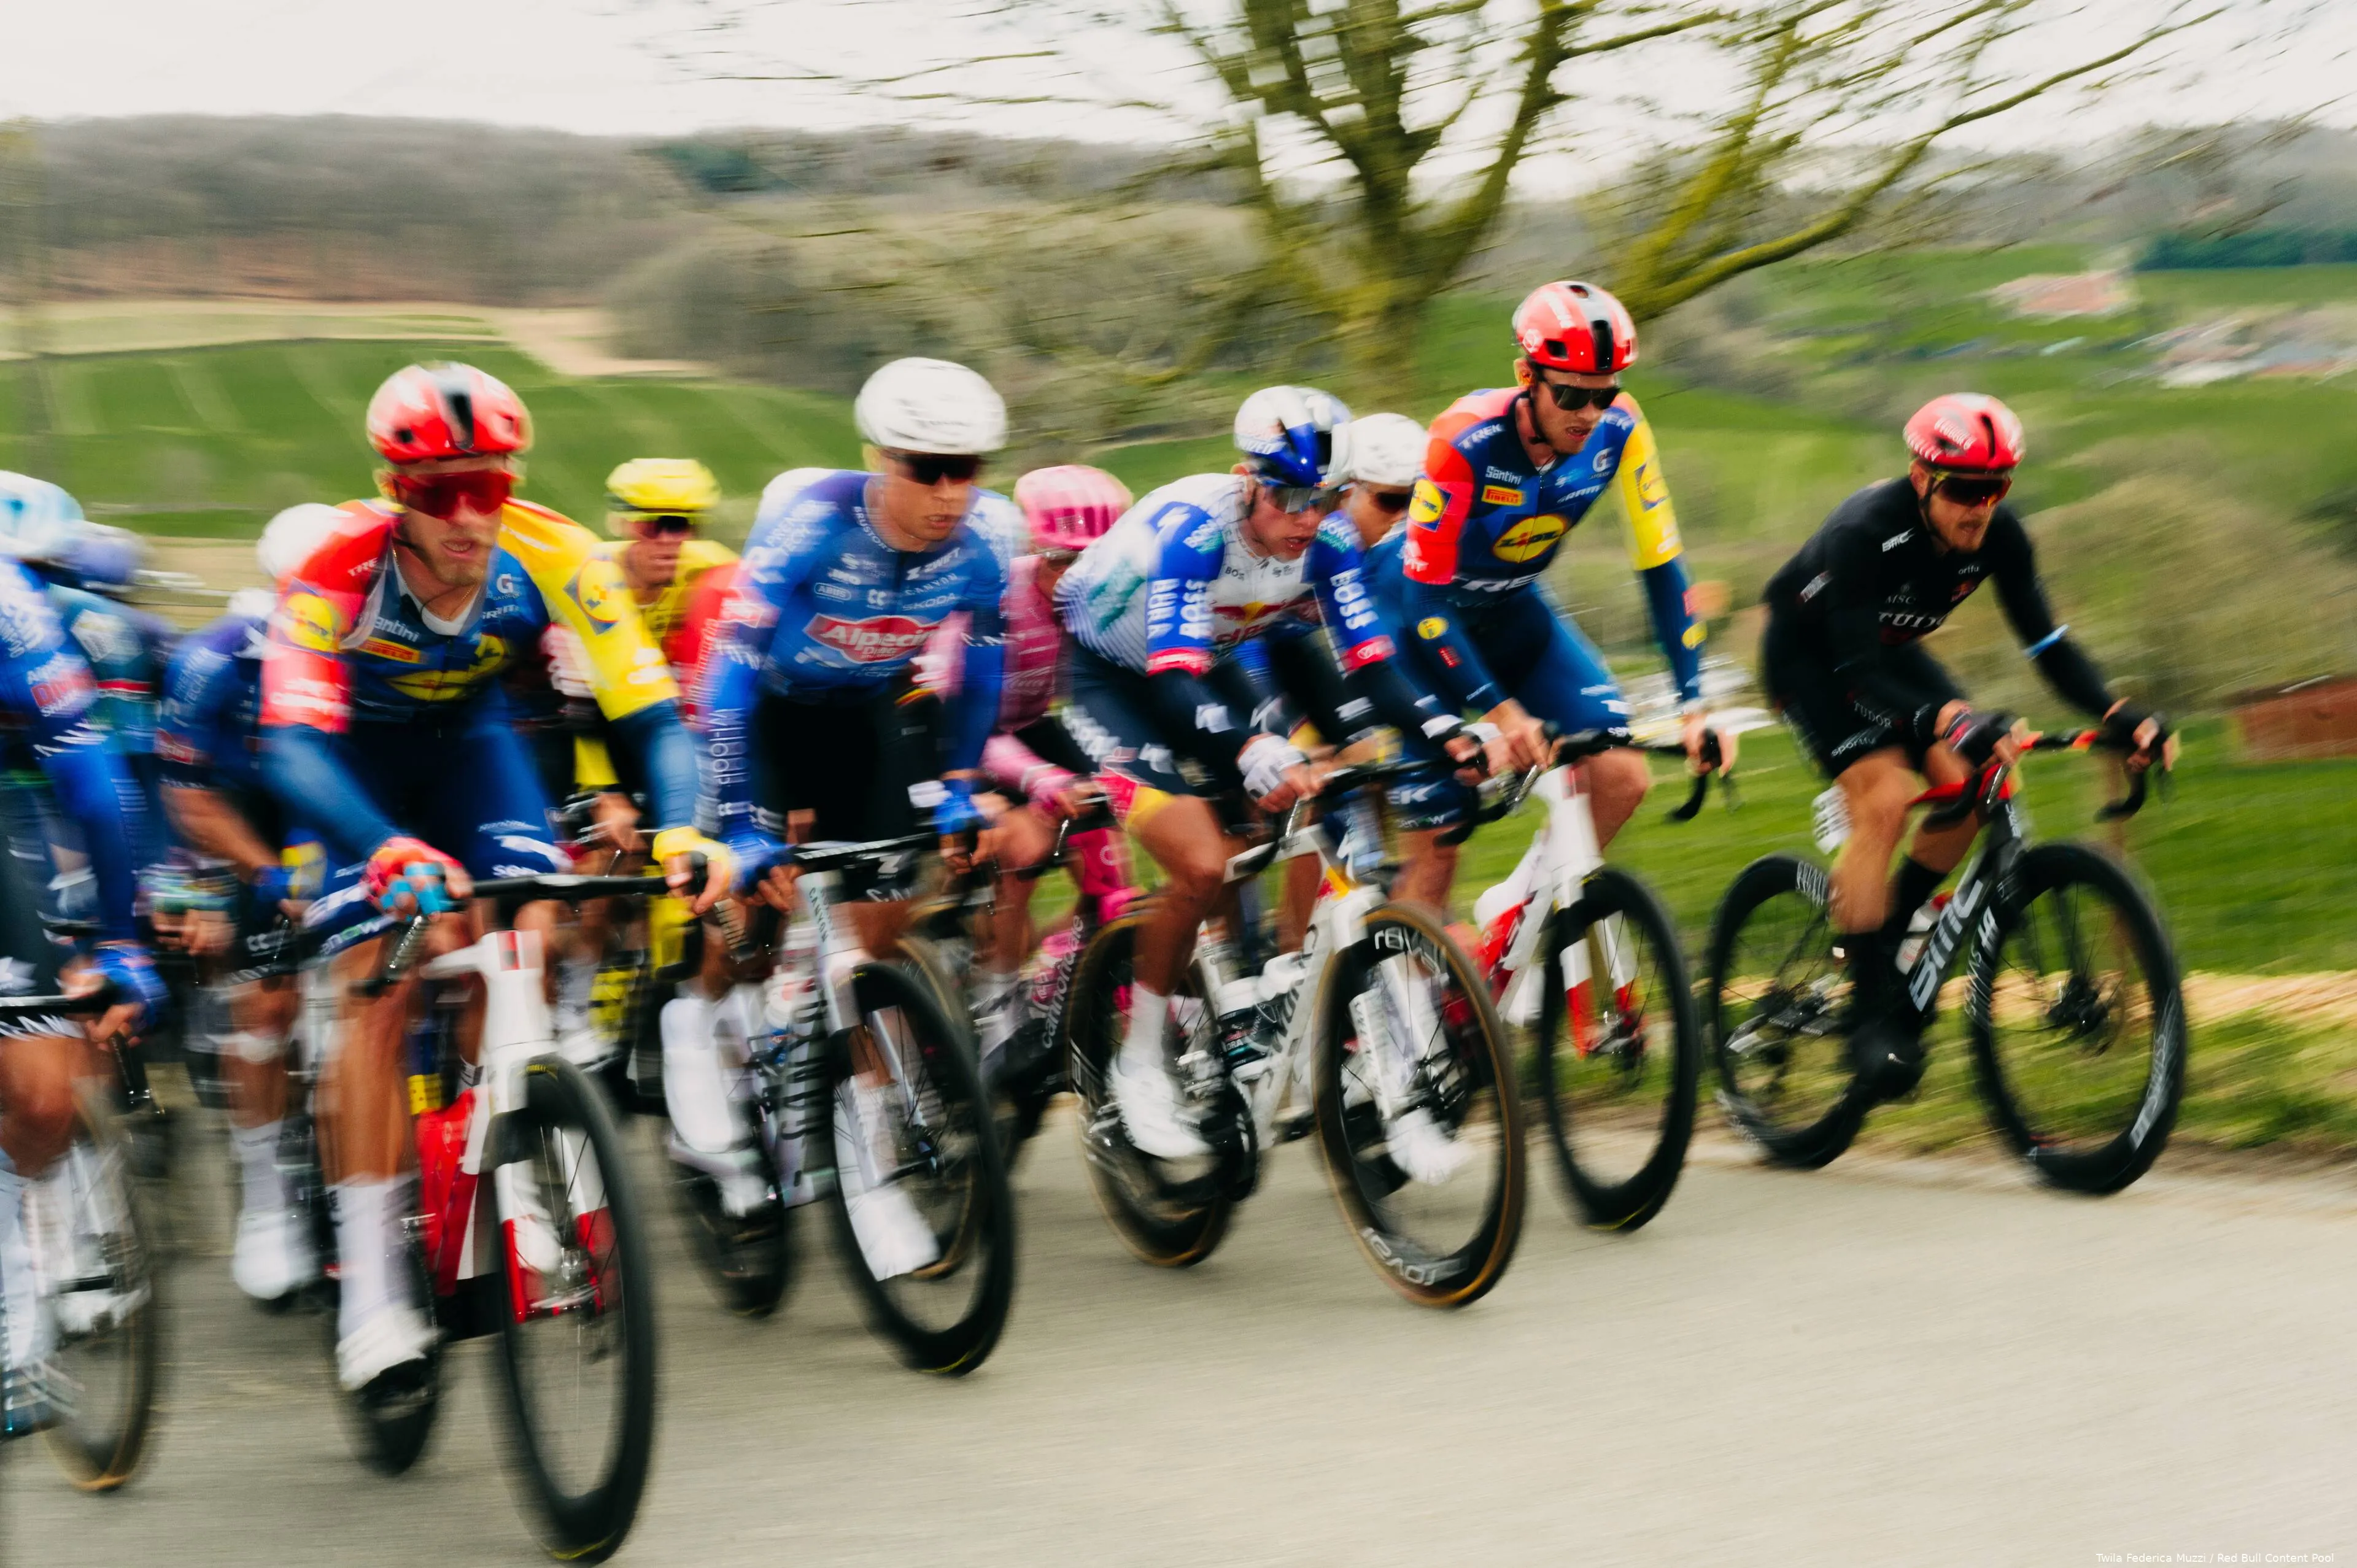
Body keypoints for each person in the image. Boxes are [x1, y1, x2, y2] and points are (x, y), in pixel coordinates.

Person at [258, 361, 730, 1399]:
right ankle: (375, 1288)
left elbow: (650, 717)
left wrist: (685, 830)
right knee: (373, 996)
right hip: (350, 769)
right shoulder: (339, 564)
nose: (470, 517)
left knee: (521, 933)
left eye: (490, 487)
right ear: (396, 491)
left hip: (472, 744)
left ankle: (510, 1136)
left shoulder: (555, 551)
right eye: (439, 494)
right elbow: (289, 744)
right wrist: (380, 846)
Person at [1055, 387, 1482, 1164]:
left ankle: (1266, 1007)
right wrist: (1254, 751)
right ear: (1244, 478)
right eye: (1286, 495)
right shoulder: (1194, 530)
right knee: (1200, 859)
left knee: (1307, 814)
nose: (1304, 519)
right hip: (1111, 676)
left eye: (1321, 498)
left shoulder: (1325, 543)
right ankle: (1140, 1059)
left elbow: (1372, 665)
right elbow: (1172, 680)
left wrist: (1447, 729)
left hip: (1205, 665)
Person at [694, 357, 1013, 1276]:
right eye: (926, 468)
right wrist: (748, 826)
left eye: (969, 468)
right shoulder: (812, 527)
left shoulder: (982, 544)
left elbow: (983, 665)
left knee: (871, 940)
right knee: (754, 909)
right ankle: (700, 1017)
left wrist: (958, 780)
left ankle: (865, 1162)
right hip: (768, 716)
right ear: (879, 456)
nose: (951, 493)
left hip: (869, 714)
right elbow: (729, 678)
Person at [1760, 392, 2172, 1095]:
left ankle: (1886, 926)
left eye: (1996, 487)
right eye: (1966, 489)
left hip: (1889, 654)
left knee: (1978, 778)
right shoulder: (1864, 531)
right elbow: (1855, 673)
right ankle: (1866, 1016)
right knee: (1886, 798)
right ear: (1922, 479)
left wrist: (2121, 712)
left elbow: (2048, 644)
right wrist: (1948, 717)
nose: (1980, 506)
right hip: (1814, 661)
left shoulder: (2002, 537)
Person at [1372, 280, 1724, 912]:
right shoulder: (1464, 439)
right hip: (1422, 631)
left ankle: (1516, 913)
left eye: (1604, 393)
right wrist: (1502, 714)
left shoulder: (1622, 428)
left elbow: (1663, 566)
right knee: (1437, 854)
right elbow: (1424, 603)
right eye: (1569, 394)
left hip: (1514, 612)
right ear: (1525, 376)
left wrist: (1693, 701)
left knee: (1620, 773)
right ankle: (1409, 993)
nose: (1589, 413)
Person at [0, 479, 164, 1435]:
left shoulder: (21, 620)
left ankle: (18, 1321)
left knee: (40, 1089)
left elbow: (100, 793)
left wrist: (118, 940)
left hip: (12, 808)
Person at [155, 504, 343, 1303]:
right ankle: (266, 1190)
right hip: (236, 816)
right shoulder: (214, 661)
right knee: (266, 1002)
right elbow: (187, 798)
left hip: (331, 808)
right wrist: (266, 876)